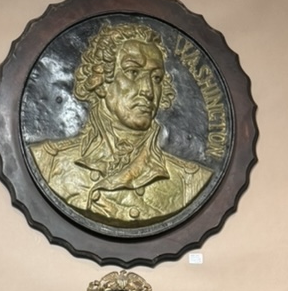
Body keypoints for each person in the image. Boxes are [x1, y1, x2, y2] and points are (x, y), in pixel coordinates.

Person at [29, 22, 213, 226]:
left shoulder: (192, 181)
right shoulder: (46, 162)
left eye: (156, 78)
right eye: (133, 72)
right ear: (101, 80)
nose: (148, 90)